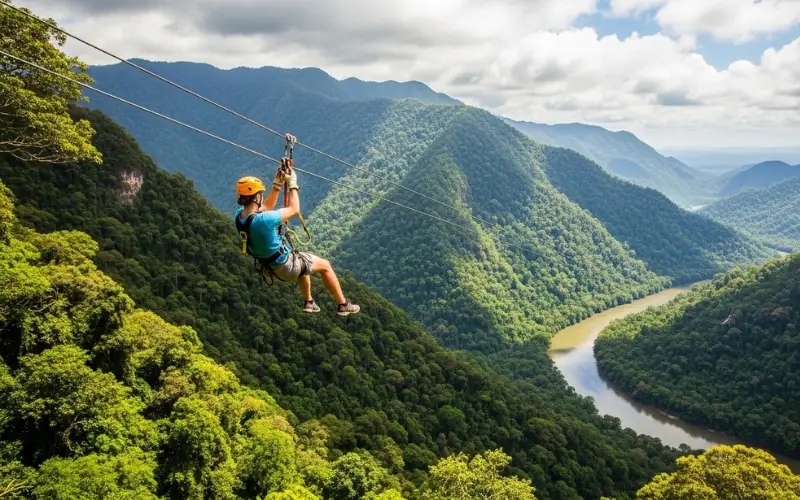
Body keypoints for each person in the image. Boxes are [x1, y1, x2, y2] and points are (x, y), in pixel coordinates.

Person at [234, 167, 360, 316]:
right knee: (325, 265)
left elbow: (266, 207)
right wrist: (293, 184)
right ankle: (343, 304)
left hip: (267, 268)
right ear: (256, 197)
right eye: (261, 194)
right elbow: (294, 209)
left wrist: (277, 185)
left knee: (303, 261)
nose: (262, 197)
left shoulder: (240, 217)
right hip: (286, 267)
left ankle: (309, 302)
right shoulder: (264, 220)